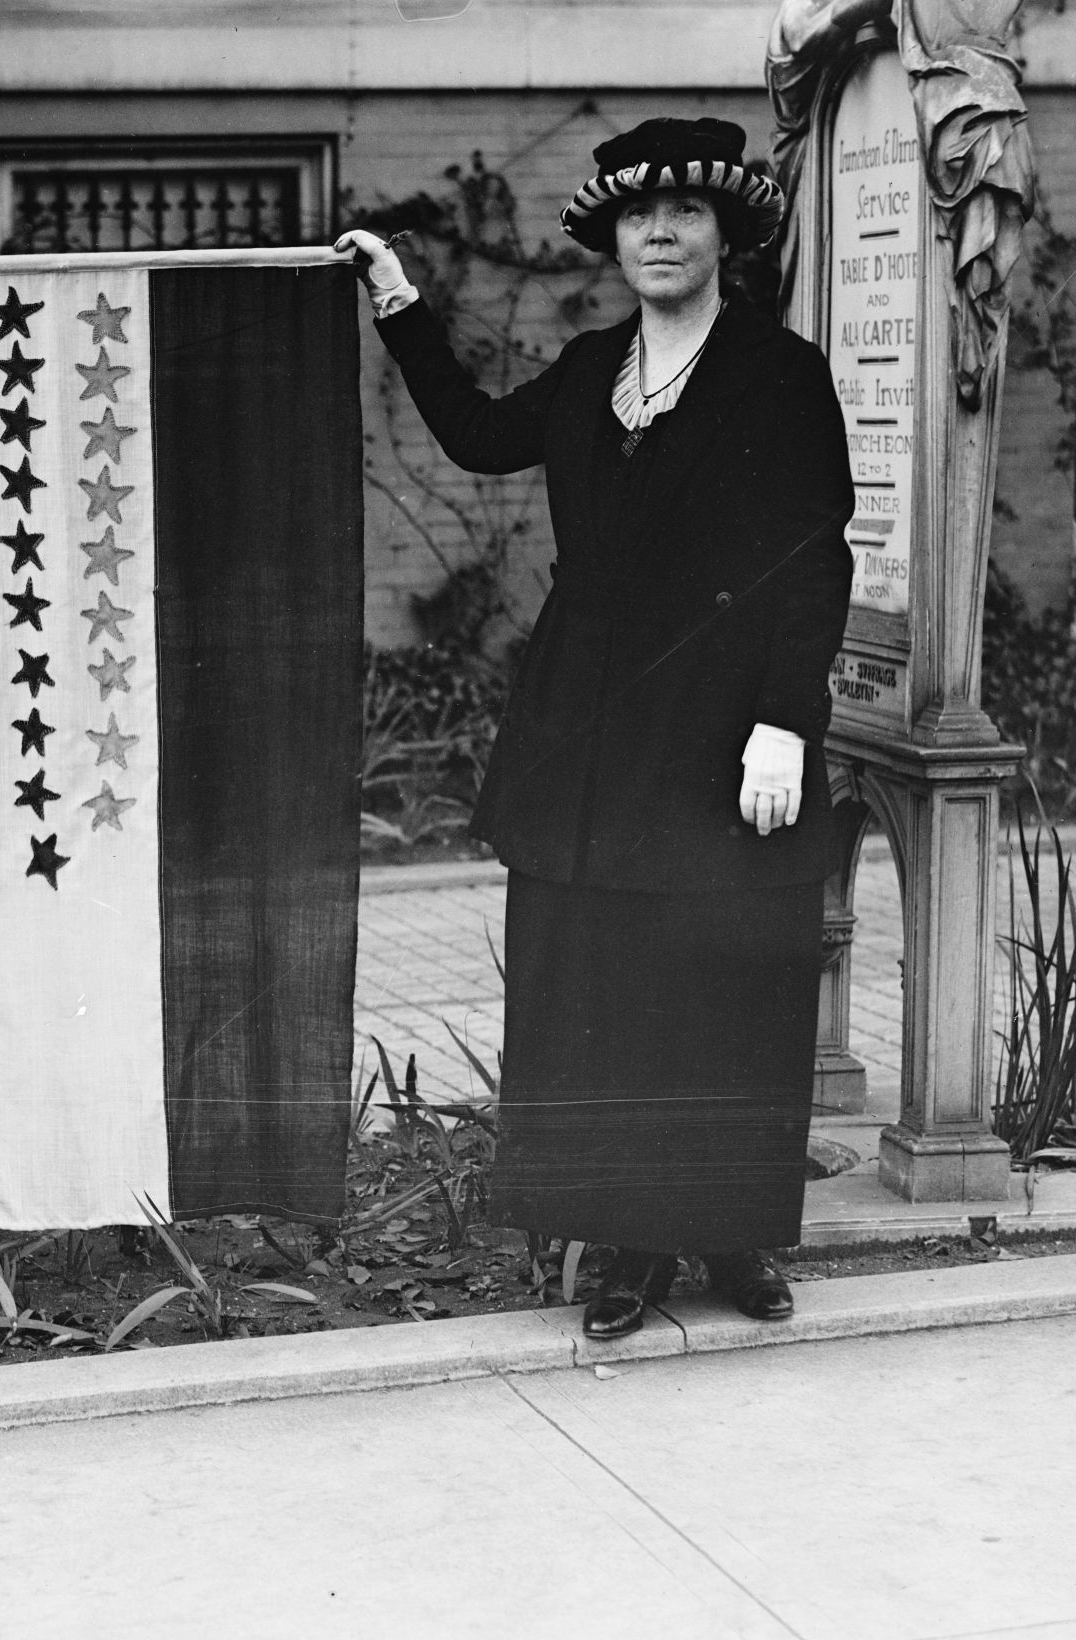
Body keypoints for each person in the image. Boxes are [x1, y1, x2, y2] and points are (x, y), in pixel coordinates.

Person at [337, 118, 855, 1339]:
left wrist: (784, 721)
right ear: (612, 239)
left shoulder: (780, 375)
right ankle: (622, 1247)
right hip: (589, 730)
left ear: (727, 233)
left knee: (721, 981)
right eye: (636, 216)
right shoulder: (584, 372)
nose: (659, 232)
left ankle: (729, 1237)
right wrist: (401, 303)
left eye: (683, 213)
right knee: (607, 989)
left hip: (725, 729)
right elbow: (471, 435)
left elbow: (811, 557)